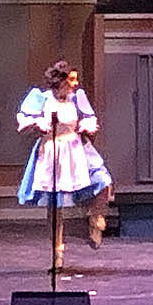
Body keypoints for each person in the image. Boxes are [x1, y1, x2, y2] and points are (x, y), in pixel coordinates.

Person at [16, 60, 114, 269]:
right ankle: (57, 252)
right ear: (60, 81)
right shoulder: (42, 98)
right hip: (53, 151)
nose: (75, 84)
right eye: (71, 80)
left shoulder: (77, 98)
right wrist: (37, 124)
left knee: (104, 181)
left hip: (77, 148)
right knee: (55, 206)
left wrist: (86, 125)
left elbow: (89, 118)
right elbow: (24, 121)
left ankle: (96, 219)